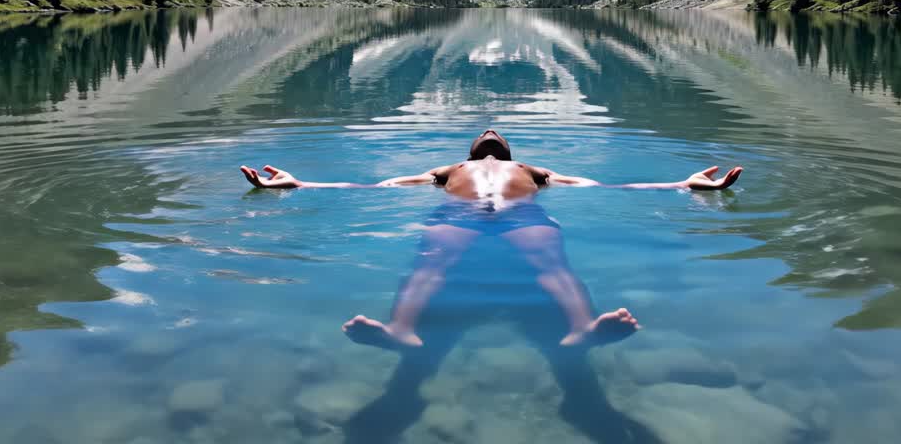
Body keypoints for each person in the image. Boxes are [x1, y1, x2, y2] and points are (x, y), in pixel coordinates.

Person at [239, 130, 742, 350]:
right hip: (459, 214)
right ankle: (401, 330)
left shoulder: (530, 168)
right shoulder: (449, 169)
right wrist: (301, 183)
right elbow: (385, 187)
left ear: (502, 151)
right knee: (429, 264)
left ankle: (582, 327)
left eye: (494, 134)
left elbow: (595, 187)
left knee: (552, 263)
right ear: (475, 151)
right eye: (484, 134)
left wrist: (681, 183)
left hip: (519, 214)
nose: (489, 132)